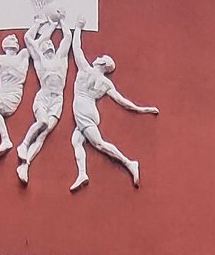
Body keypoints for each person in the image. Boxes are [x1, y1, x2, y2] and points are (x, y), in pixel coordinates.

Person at [68, 18, 159, 190]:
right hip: (87, 112)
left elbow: (76, 48)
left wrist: (78, 28)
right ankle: (82, 173)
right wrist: (141, 109)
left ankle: (129, 163)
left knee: (99, 144)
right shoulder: (105, 83)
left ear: (102, 63)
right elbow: (123, 102)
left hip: (84, 112)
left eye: (100, 57)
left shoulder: (85, 69)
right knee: (77, 141)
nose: (97, 57)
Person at [14, 11, 73, 185]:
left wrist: (62, 21)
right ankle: (23, 145)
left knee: (43, 134)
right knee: (43, 123)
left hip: (57, 100)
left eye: (49, 43)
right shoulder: (40, 60)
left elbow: (67, 39)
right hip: (43, 97)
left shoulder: (61, 58)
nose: (47, 45)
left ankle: (25, 165)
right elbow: (28, 40)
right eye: (44, 44)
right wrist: (39, 24)